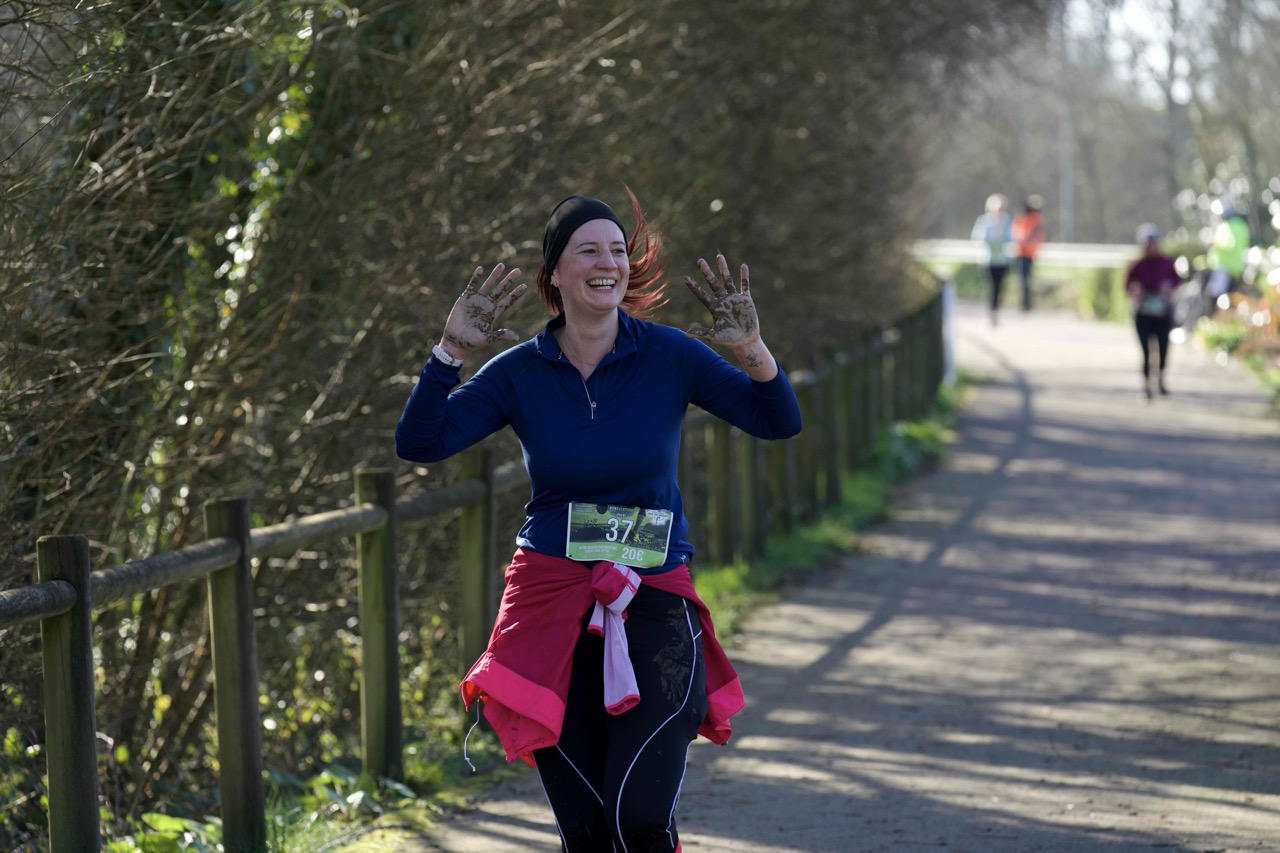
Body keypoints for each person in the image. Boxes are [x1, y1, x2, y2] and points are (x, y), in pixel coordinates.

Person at [395, 191, 802, 852]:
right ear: (555, 273)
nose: (607, 261)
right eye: (588, 249)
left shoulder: (670, 356)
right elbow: (419, 442)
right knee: (585, 834)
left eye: (617, 249)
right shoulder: (519, 372)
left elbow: (777, 419)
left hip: (654, 603)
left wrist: (752, 349)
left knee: (636, 821)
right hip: (549, 609)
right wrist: (449, 350)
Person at [1125, 223, 1182, 400]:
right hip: (1143, 314)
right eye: (1147, 243)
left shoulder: (1167, 263)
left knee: (1163, 348)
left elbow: (1176, 281)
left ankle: (1161, 380)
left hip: (1163, 314)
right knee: (1146, 351)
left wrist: (1168, 288)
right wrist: (1135, 289)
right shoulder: (1137, 265)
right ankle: (1146, 385)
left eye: (1153, 243)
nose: (1151, 247)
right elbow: (1127, 285)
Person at [971, 193, 1013, 326]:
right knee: (991, 288)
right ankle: (991, 314)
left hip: (1002, 261)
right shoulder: (984, 221)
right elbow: (977, 237)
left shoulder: (1007, 221)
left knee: (1000, 288)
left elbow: (1011, 238)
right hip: (988, 261)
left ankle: (996, 313)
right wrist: (992, 234)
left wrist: (1001, 236)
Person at [1205, 202, 1251, 299]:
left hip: (1225, 267)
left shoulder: (1231, 226)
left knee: (1217, 296)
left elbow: (1230, 245)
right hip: (1232, 267)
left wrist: (1214, 243)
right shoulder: (1240, 226)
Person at [1011, 194, 1046, 312]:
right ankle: (1024, 303)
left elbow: (1036, 235)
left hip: (1029, 253)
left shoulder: (1036, 218)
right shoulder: (1022, 217)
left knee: (1026, 279)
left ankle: (1026, 303)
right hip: (1021, 252)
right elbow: (1017, 233)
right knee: (1022, 279)